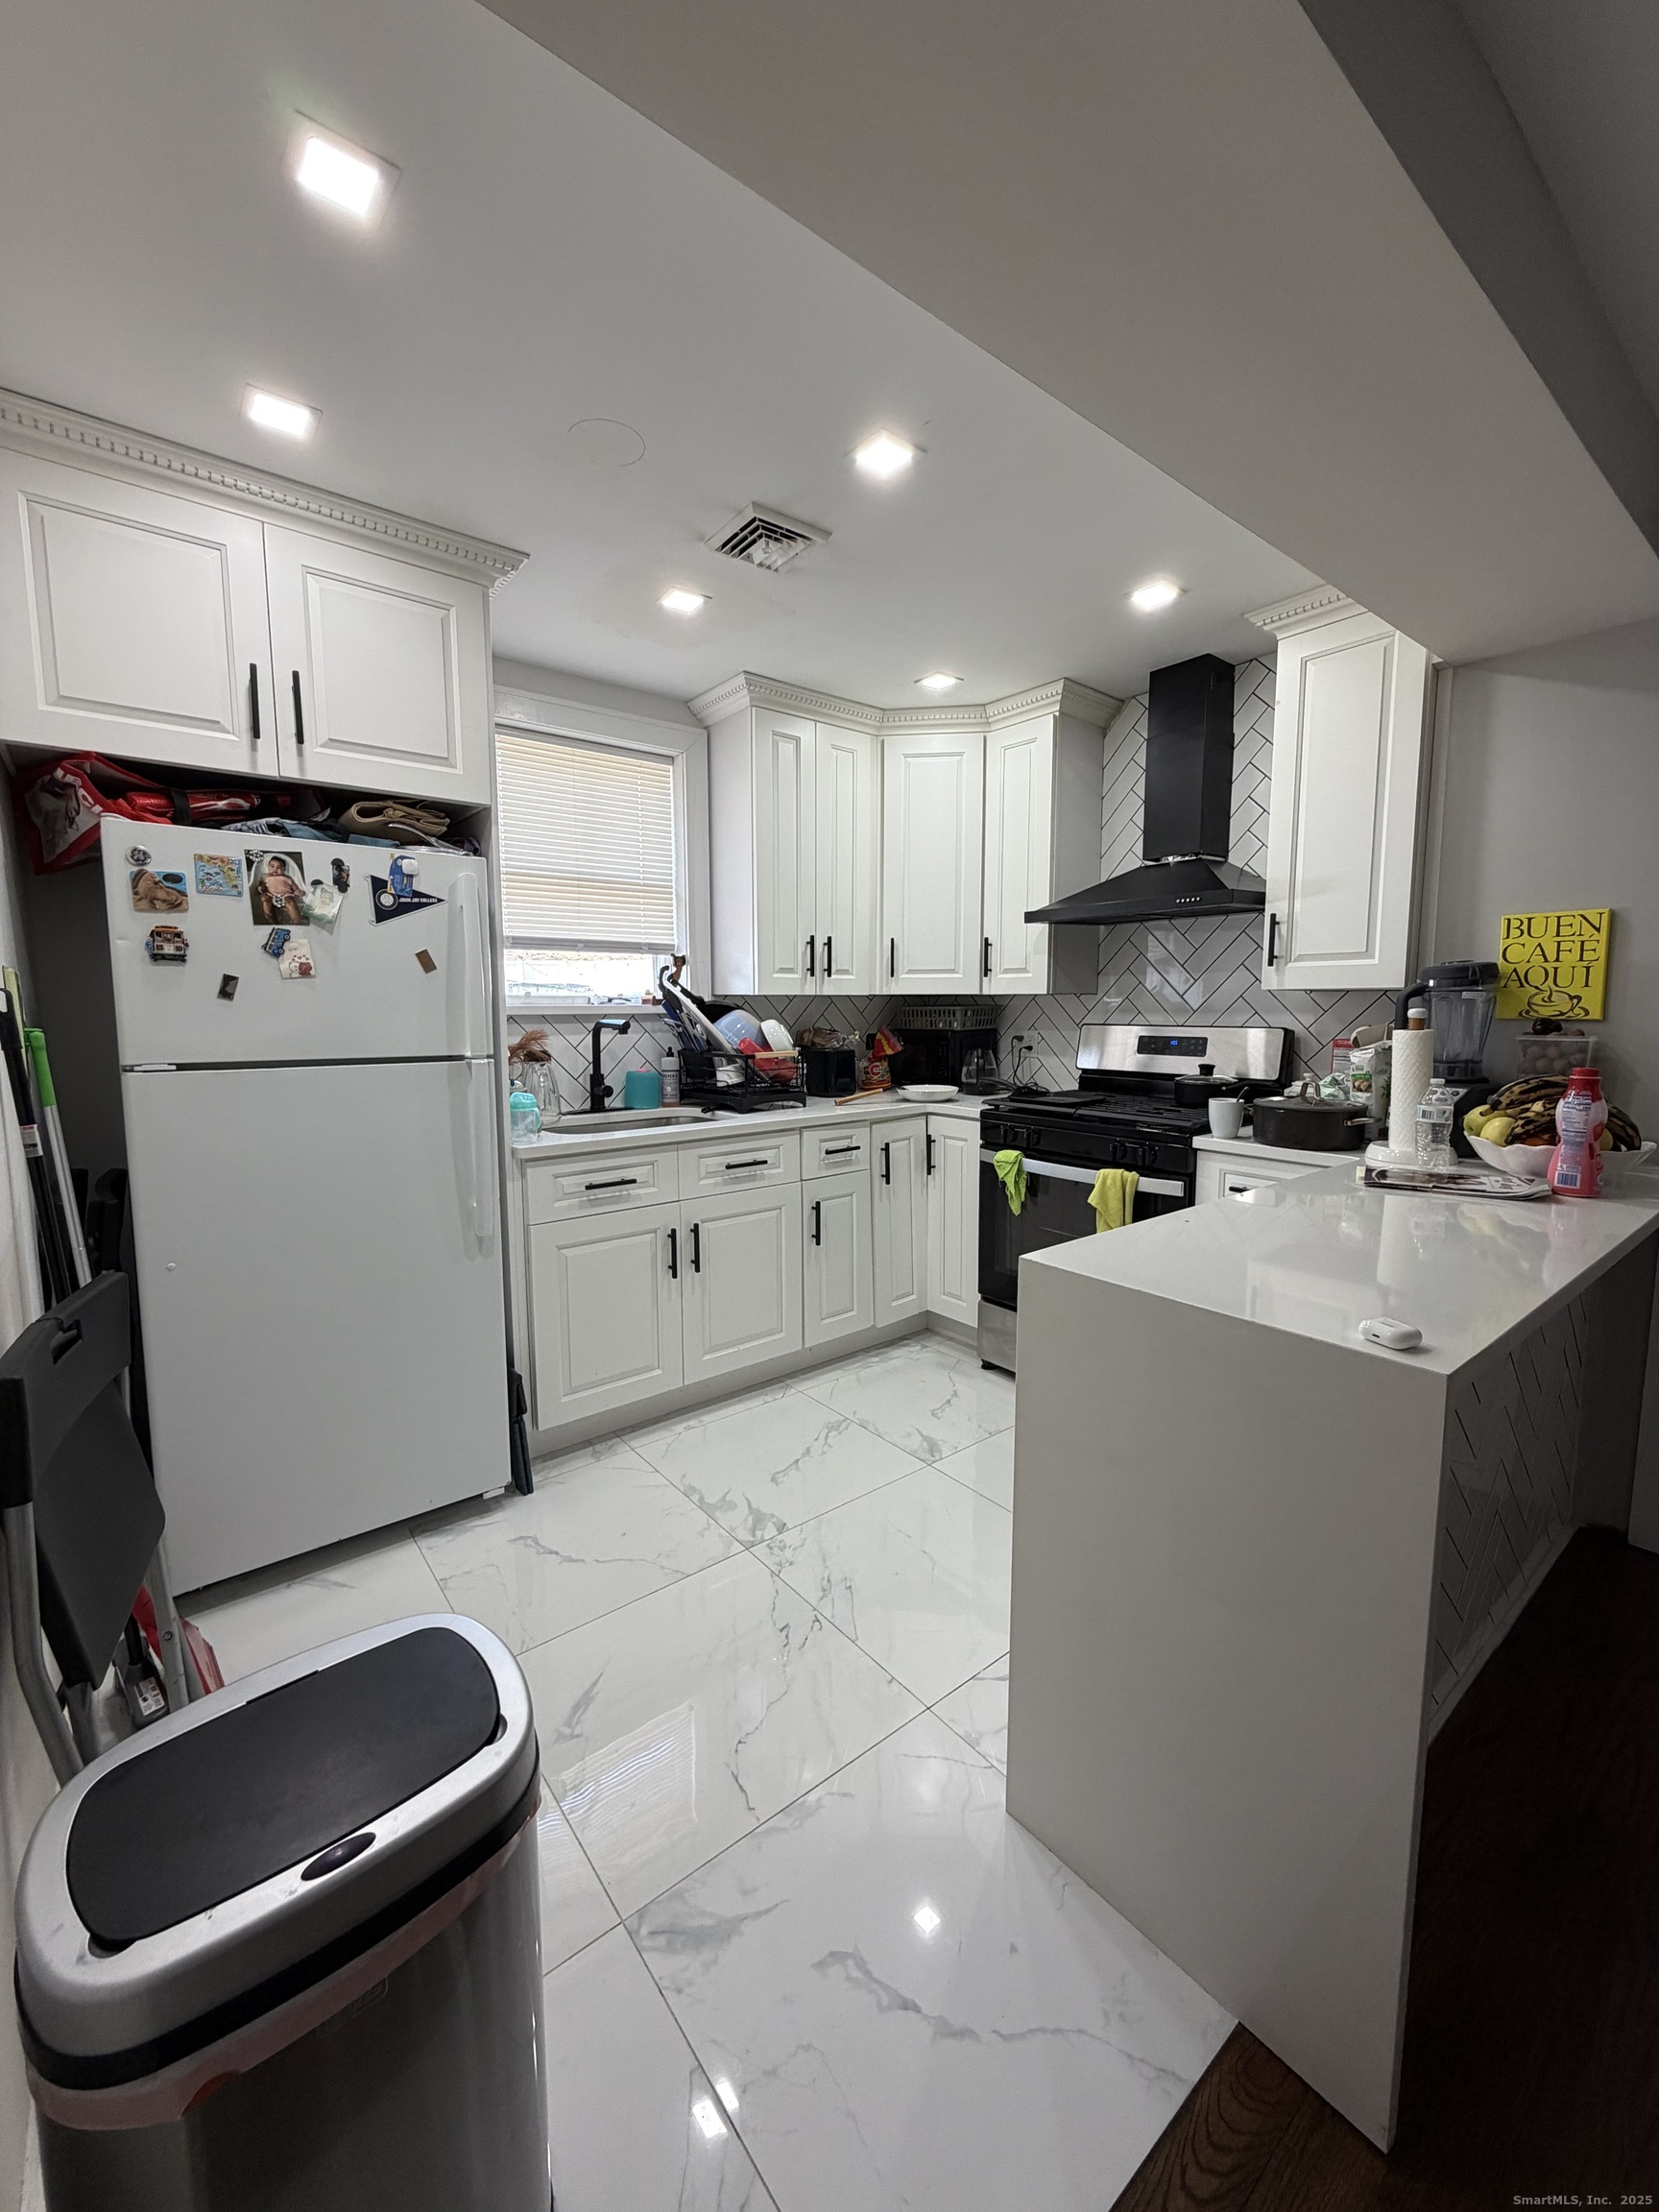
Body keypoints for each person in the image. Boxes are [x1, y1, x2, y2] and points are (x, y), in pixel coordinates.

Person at [253, 854, 308, 926]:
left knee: (291, 902)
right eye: (272, 866)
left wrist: (298, 892)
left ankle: (296, 922)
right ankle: (272, 922)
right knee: (266, 901)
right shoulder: (265, 876)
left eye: (279, 867)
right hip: (270, 894)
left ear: (284, 869)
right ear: (268, 867)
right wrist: (261, 889)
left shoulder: (287, 878)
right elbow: (260, 885)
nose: (275, 869)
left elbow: (294, 886)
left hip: (285, 894)